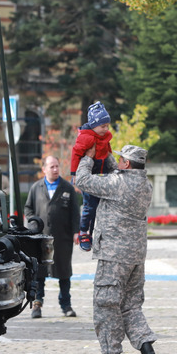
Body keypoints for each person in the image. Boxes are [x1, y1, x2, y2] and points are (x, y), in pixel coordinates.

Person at [73, 144, 161, 354]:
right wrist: (108, 153)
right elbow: (117, 170)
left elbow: (82, 180)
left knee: (106, 305)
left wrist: (89, 158)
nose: (118, 162)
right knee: (131, 306)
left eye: (121, 159)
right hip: (135, 257)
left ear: (127, 164)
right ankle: (147, 350)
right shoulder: (145, 185)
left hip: (113, 256)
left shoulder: (117, 184)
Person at [24, 156, 81, 319]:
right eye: (52, 167)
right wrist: (33, 224)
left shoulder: (67, 188)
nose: (55, 169)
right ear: (44, 169)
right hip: (41, 239)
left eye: (57, 166)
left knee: (64, 272)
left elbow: (75, 213)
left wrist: (76, 231)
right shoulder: (36, 187)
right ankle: (37, 304)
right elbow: (28, 209)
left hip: (62, 239)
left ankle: (66, 305)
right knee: (39, 272)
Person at [70, 101, 114, 251]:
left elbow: (108, 151)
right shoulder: (86, 138)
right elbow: (75, 154)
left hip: (101, 174)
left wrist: (112, 169)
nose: (106, 129)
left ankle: (93, 233)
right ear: (94, 125)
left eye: (107, 125)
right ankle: (83, 231)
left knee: (98, 207)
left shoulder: (105, 136)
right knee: (89, 206)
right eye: (103, 126)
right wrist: (74, 174)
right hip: (88, 175)